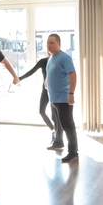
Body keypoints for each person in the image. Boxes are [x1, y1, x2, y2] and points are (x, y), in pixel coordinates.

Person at [45, 34, 79, 163]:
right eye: (48, 43)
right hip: (54, 99)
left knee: (68, 125)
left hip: (63, 98)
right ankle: (59, 142)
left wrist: (71, 93)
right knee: (59, 124)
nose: (49, 45)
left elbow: (73, 74)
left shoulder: (64, 57)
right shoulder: (51, 58)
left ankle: (73, 152)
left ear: (59, 44)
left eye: (52, 43)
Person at [18, 53, 57, 146]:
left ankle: (57, 137)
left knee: (54, 116)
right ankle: (53, 130)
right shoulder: (43, 62)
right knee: (41, 111)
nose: (49, 50)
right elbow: (31, 71)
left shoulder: (58, 61)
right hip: (45, 91)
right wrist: (19, 78)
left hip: (55, 91)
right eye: (48, 48)